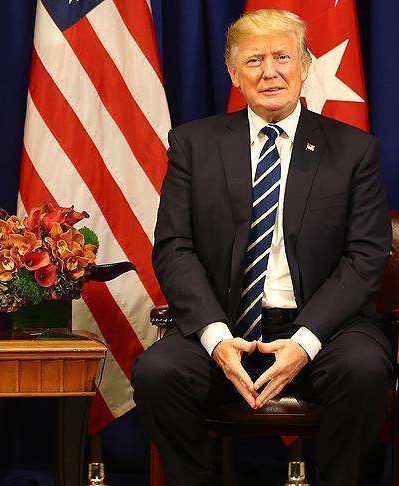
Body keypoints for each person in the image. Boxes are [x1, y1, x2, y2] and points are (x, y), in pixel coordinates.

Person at [132, 9, 392, 485]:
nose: (270, 72)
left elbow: (365, 256)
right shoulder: (193, 145)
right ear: (234, 74)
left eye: (282, 57)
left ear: (305, 65)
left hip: (323, 331)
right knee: (157, 373)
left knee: (365, 370)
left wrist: (305, 341)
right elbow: (174, 248)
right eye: (254, 61)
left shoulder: (354, 150)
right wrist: (215, 337)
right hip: (226, 329)